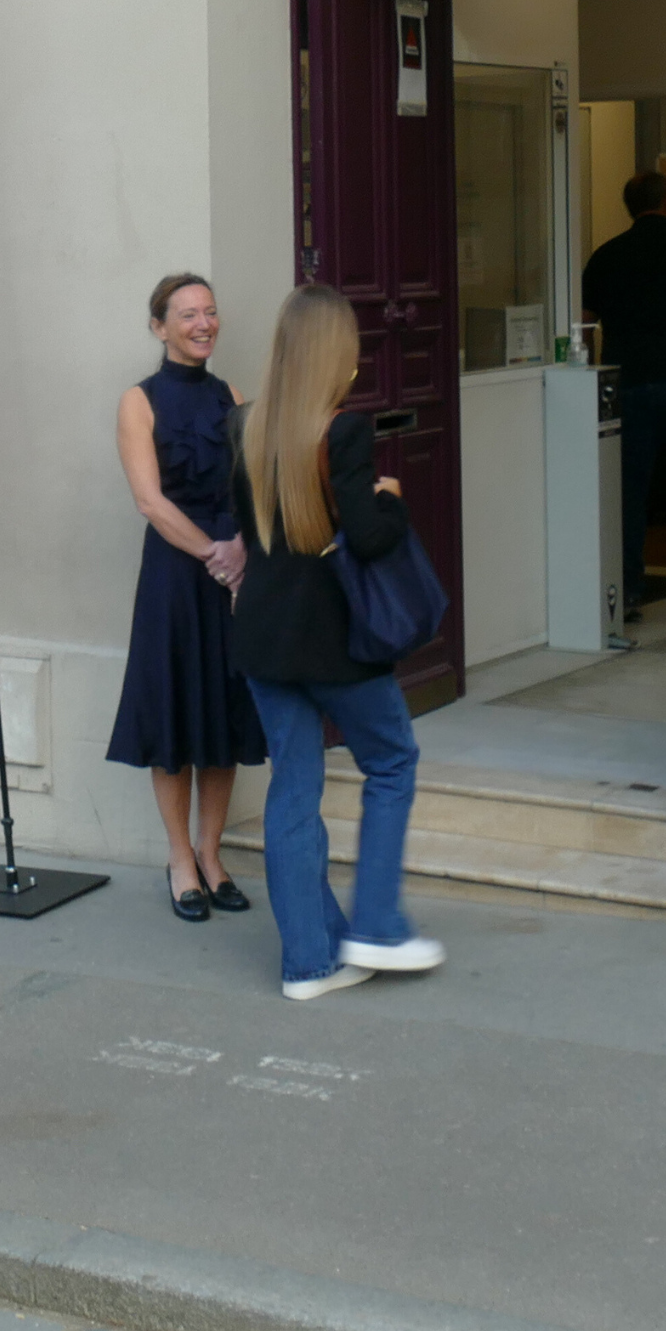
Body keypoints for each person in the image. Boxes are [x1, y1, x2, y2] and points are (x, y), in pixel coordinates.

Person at [229, 284, 444, 1002]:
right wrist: (387, 494)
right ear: (335, 353)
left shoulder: (246, 427)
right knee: (391, 763)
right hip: (334, 639)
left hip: (262, 635)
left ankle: (309, 963)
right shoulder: (343, 431)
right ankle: (377, 926)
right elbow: (373, 536)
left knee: (293, 791)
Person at [104, 273, 264, 922]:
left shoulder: (232, 395)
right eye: (188, 313)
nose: (203, 323)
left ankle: (211, 851)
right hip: (177, 574)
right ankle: (178, 858)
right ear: (159, 325)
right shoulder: (137, 402)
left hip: (233, 570)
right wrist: (213, 554)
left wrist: (241, 551)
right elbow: (149, 500)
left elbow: (255, 489)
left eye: (210, 311)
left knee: (223, 714)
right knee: (174, 712)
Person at [576, 170, 666, 636]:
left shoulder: (608, 254)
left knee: (630, 489)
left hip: (628, 381)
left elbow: (584, 323)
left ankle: (627, 589)